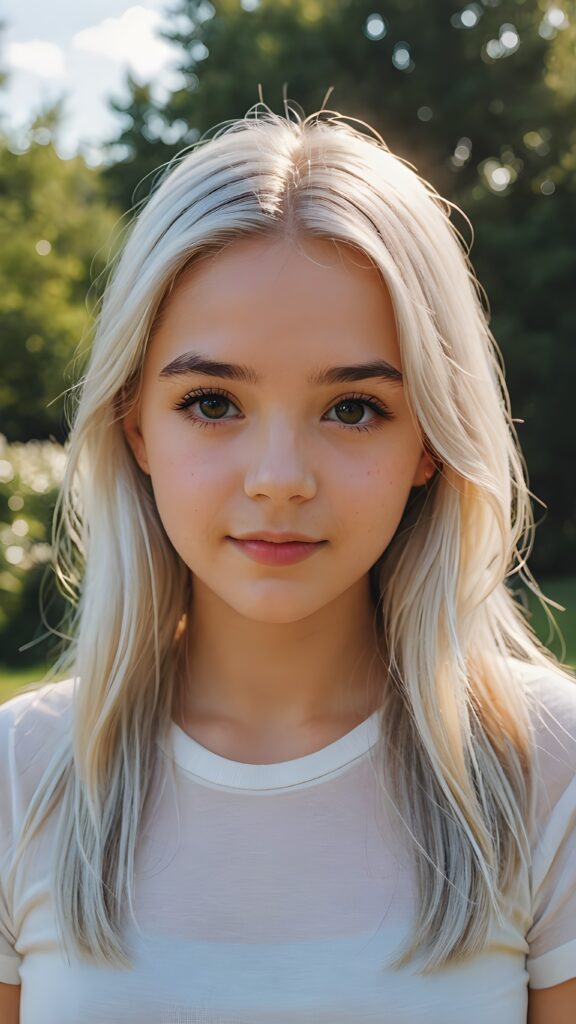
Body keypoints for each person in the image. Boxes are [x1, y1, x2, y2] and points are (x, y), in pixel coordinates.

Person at [1, 104, 575, 1024]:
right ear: (133, 423)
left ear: (430, 437)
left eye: (352, 409)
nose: (279, 480)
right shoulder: (19, 778)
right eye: (213, 401)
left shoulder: (549, 768)